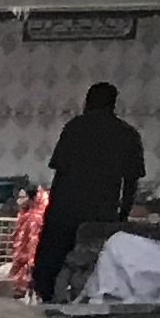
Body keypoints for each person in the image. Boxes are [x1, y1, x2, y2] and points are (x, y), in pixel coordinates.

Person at [32, 79, 146, 301]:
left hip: (64, 213)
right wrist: (121, 217)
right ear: (113, 104)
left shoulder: (74, 128)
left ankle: (48, 307)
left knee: (48, 267)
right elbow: (131, 182)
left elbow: (60, 172)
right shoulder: (127, 134)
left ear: (88, 102)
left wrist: (52, 210)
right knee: (94, 272)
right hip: (100, 216)